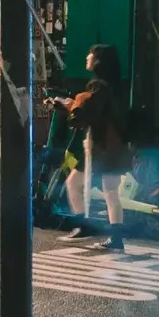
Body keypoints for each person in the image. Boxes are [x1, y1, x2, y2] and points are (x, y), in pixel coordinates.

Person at [63, 44, 132, 252]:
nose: (87, 56)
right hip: (113, 146)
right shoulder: (115, 85)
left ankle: (83, 227)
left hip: (101, 147)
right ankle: (115, 239)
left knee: (74, 183)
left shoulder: (99, 86)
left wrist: (69, 106)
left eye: (90, 54)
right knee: (109, 191)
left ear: (98, 60)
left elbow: (88, 112)